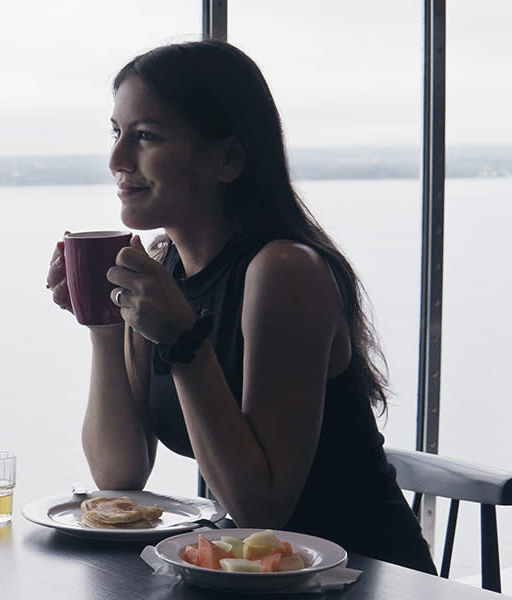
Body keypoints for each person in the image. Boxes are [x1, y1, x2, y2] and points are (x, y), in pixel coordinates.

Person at [45, 40, 436, 573]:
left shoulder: (284, 271)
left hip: (365, 576)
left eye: (146, 136)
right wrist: (105, 323)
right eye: (116, 133)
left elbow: (262, 506)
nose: (116, 160)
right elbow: (118, 475)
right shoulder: (162, 269)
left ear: (228, 158)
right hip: (260, 578)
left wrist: (184, 341)